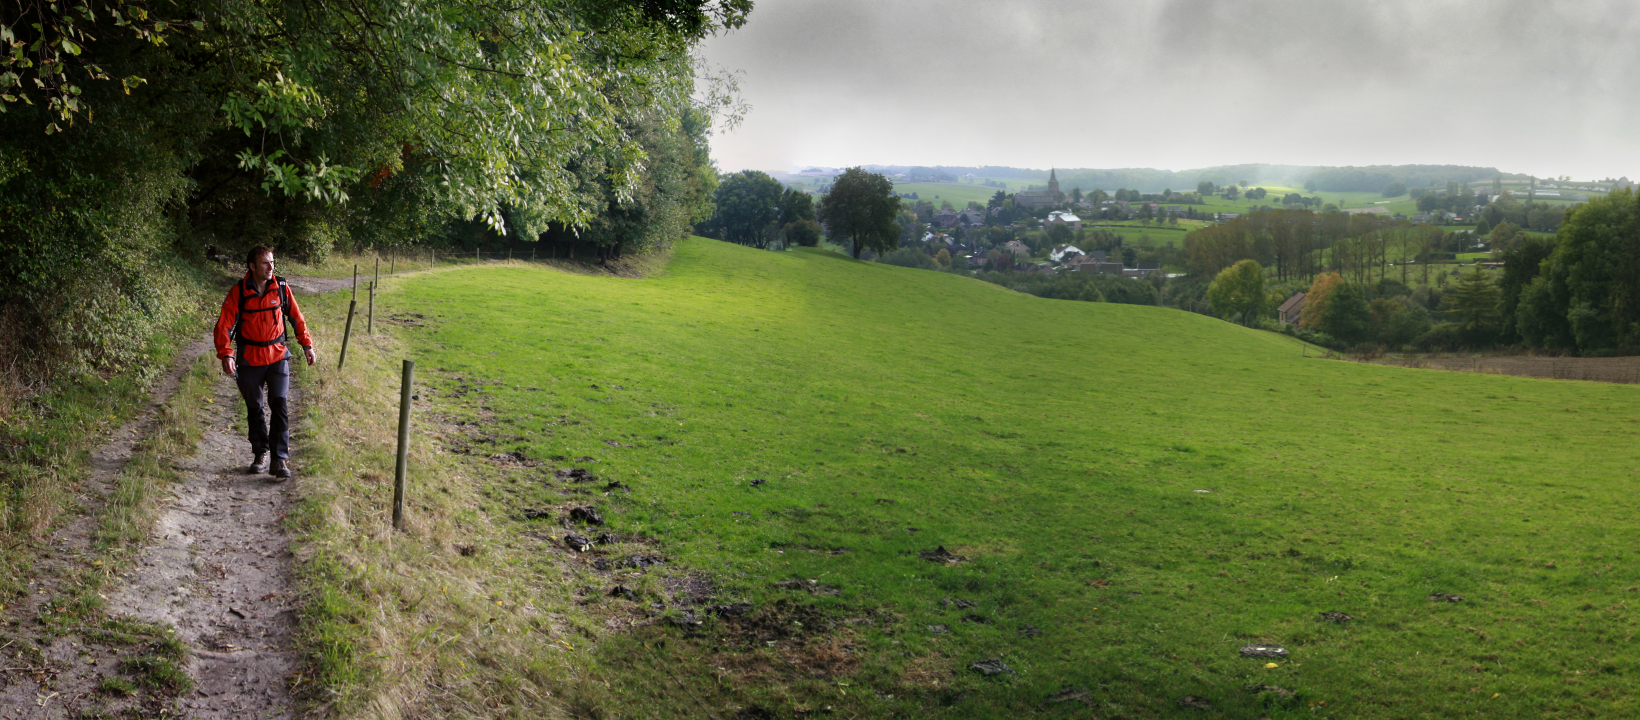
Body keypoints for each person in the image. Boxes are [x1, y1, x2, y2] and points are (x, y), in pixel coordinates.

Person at [213, 245, 317, 479]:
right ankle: (260, 453)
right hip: (249, 359)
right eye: (265, 263)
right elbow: (224, 326)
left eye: (272, 262)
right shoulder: (239, 292)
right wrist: (226, 354)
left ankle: (279, 460)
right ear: (252, 266)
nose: (271, 267)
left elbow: (297, 318)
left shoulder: (281, 287)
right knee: (255, 408)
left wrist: (307, 345)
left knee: (279, 404)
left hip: (277, 357)